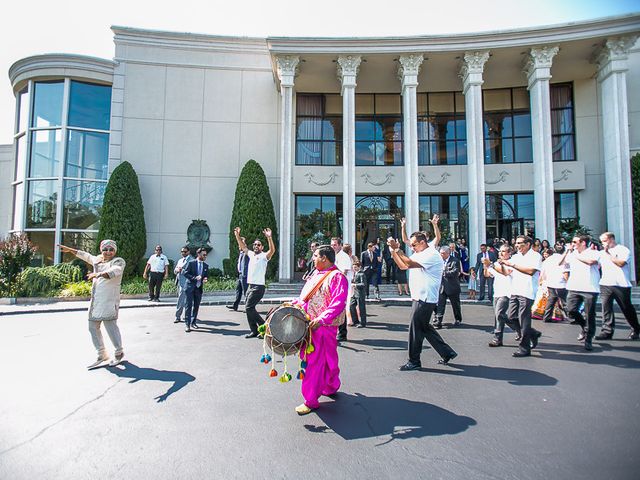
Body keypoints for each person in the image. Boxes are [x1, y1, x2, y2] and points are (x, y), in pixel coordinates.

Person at [292, 244, 348, 415]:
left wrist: (321, 319)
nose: (313, 258)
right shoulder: (316, 273)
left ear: (324, 258)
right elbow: (306, 297)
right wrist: (295, 304)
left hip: (323, 327)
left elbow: (338, 303)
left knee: (314, 363)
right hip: (311, 324)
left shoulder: (337, 277)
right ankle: (331, 386)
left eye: (315, 255)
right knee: (328, 358)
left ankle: (310, 400)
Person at [389, 232, 458, 371]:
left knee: (415, 330)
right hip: (419, 297)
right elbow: (403, 266)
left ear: (422, 242)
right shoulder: (419, 253)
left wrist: (398, 249)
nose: (412, 247)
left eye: (414, 244)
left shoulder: (431, 254)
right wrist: (393, 252)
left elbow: (408, 263)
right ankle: (447, 352)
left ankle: (414, 361)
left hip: (425, 298)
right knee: (424, 328)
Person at [58, 240, 126, 369]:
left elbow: (114, 271)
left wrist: (98, 274)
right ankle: (101, 354)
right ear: (101, 250)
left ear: (115, 251)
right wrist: (70, 250)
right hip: (96, 301)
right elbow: (85, 255)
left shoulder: (118, 261)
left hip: (109, 301)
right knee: (92, 327)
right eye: (105, 249)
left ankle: (119, 352)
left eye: (111, 249)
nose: (108, 252)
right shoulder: (98, 260)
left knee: (110, 327)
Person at [495, 235, 542, 357]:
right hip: (514, 291)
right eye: (516, 243)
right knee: (510, 317)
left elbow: (531, 271)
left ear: (527, 244)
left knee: (524, 319)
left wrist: (512, 265)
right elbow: (507, 273)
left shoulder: (535, 256)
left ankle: (524, 348)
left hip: (527, 292)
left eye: (520, 243)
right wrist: (501, 265)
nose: (517, 245)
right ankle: (532, 333)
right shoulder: (515, 257)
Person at [559, 235, 601, 351]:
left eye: (574, 242)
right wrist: (567, 251)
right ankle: (584, 327)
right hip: (574, 287)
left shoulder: (593, 253)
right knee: (571, 311)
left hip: (590, 288)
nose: (572, 243)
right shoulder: (572, 254)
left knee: (589, 314)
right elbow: (560, 263)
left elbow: (590, 262)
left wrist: (576, 255)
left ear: (583, 243)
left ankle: (588, 339)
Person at [595, 232, 640, 340]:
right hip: (606, 283)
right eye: (601, 242)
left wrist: (609, 254)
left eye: (604, 241)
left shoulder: (623, 250)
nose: (603, 243)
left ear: (611, 239)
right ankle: (607, 331)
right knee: (606, 308)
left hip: (621, 284)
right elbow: (596, 265)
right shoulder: (601, 253)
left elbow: (621, 263)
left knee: (626, 307)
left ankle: (636, 328)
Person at [234, 227, 276, 338]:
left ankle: (265, 327)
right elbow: (243, 247)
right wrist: (237, 235)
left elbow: (272, 250)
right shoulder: (251, 254)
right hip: (250, 286)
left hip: (258, 287)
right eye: (255, 244)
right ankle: (254, 331)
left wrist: (269, 237)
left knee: (249, 307)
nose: (256, 246)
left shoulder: (264, 256)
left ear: (262, 247)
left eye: (258, 245)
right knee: (248, 309)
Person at [484, 245, 521, 347]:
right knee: (499, 316)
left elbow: (506, 272)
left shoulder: (512, 262)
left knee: (500, 314)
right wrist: (486, 266)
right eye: (500, 251)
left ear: (509, 253)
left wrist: (491, 265)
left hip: (507, 293)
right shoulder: (495, 264)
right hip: (497, 292)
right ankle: (519, 329)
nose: (501, 253)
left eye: (504, 251)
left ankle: (497, 338)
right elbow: (487, 275)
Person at [434, 246, 462, 329]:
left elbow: (455, 272)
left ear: (448, 253)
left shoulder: (455, 261)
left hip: (452, 287)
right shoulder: (438, 261)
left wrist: (444, 273)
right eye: (440, 253)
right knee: (440, 305)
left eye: (443, 253)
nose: (441, 255)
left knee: (455, 305)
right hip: (442, 287)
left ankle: (458, 319)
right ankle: (438, 321)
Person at [540, 242, 569, 323]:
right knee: (565, 301)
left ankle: (546, 316)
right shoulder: (564, 259)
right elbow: (565, 273)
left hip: (550, 282)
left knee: (551, 301)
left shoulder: (548, 259)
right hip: (561, 283)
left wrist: (544, 282)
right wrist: (568, 283)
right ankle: (571, 318)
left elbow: (543, 273)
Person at [183, 248, 209, 332]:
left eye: (206, 255)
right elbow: (185, 273)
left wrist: (205, 279)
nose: (205, 256)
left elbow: (205, 276)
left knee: (196, 306)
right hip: (190, 287)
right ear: (198, 254)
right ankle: (187, 324)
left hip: (198, 288)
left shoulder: (206, 266)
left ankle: (193, 322)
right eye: (203, 255)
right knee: (188, 306)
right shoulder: (191, 263)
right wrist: (194, 278)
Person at [331, 237, 353, 341]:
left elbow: (343, 272)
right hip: (335, 287)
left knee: (341, 310)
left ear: (340, 245)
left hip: (342, 287)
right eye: (332, 245)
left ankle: (342, 333)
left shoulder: (344, 257)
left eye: (335, 245)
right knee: (336, 310)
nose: (333, 247)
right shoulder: (334, 256)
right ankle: (337, 332)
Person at [227, 240, 249, 312]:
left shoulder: (246, 254)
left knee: (246, 292)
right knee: (238, 291)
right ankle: (235, 306)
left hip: (244, 275)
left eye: (240, 245)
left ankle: (247, 307)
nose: (239, 246)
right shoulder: (240, 253)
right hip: (240, 275)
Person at [174, 246, 193, 323]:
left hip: (186, 283)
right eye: (182, 252)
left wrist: (181, 270)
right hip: (179, 282)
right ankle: (187, 316)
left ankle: (178, 316)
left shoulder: (191, 260)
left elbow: (191, 272)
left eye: (185, 252)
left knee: (181, 300)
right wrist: (177, 270)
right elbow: (175, 270)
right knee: (183, 300)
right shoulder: (180, 260)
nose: (183, 253)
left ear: (188, 252)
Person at [349, 260, 367, 328]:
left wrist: (355, 285)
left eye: (356, 267)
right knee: (351, 306)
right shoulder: (355, 273)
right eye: (353, 267)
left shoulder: (361, 274)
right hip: (355, 293)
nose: (354, 269)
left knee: (361, 308)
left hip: (360, 293)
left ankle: (363, 323)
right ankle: (355, 321)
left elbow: (363, 284)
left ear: (359, 267)